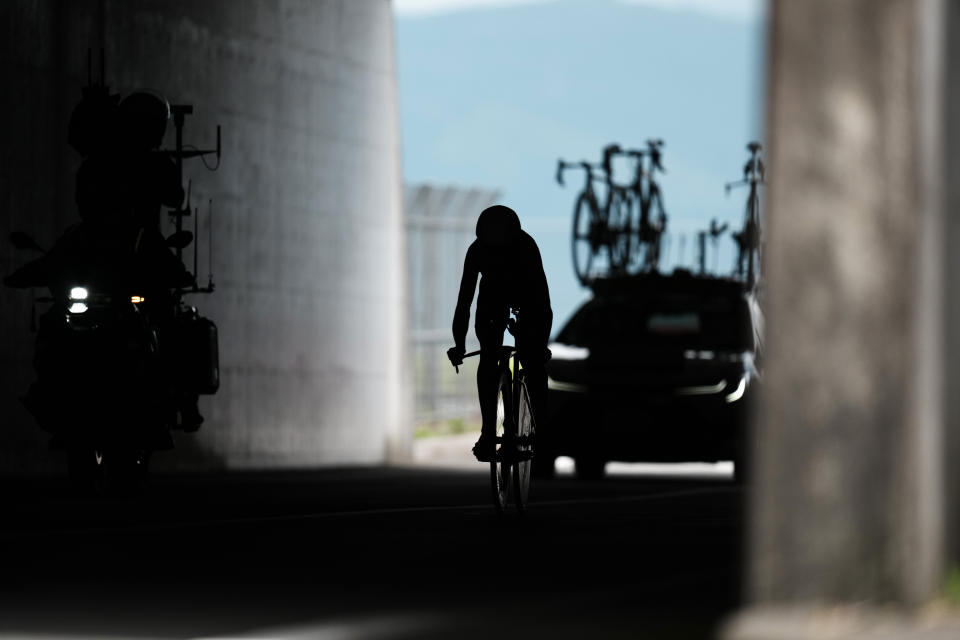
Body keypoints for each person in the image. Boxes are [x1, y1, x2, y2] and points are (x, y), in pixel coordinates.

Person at [447, 205, 552, 461]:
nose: (497, 254)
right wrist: (459, 344)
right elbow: (464, 303)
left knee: (531, 359)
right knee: (489, 357)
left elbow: (541, 303)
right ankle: (487, 431)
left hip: (526, 296)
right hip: (492, 297)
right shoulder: (477, 251)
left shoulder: (526, 248)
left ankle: (544, 430)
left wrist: (539, 342)